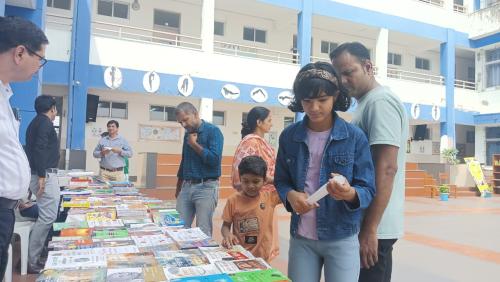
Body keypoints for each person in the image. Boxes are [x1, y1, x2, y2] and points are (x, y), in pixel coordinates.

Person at [274, 62, 376, 282]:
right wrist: (290, 195)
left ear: (335, 96)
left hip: (341, 237)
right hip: (302, 237)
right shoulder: (289, 137)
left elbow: (367, 188)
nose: (314, 108)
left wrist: (349, 193)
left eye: (322, 100)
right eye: (307, 101)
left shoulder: (354, 137)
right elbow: (281, 180)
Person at [331, 42, 408, 282]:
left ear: (368, 67)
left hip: (375, 226)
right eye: (338, 75)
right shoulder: (367, 103)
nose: (343, 81)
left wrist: (370, 228)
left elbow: (386, 168)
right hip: (370, 222)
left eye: (348, 72)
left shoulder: (380, 102)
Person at [0, 16, 49, 279]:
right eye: (39, 59)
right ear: (20, 52)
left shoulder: (5, 95)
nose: (39, 67)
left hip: (7, 208)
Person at [231, 106, 280, 259]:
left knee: (263, 241)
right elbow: (249, 175)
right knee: (253, 244)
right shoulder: (252, 143)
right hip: (254, 202)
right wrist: (275, 180)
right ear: (259, 122)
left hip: (266, 199)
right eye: (269, 120)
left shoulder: (257, 142)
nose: (271, 124)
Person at [175, 102, 224, 236]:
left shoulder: (213, 131)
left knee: (202, 232)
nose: (184, 125)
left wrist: (194, 145)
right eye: (180, 123)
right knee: (178, 228)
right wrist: (178, 187)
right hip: (186, 187)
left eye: (185, 120)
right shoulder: (187, 134)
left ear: (195, 114)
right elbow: (184, 161)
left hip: (206, 187)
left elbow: (214, 160)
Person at [222, 156, 282, 262]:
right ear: (240, 179)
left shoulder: (270, 198)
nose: (250, 186)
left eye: (256, 181)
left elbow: (292, 186)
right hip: (240, 255)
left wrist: (272, 180)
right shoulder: (233, 200)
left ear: (264, 181)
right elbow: (225, 226)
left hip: (263, 258)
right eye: (245, 181)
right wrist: (228, 235)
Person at [25, 95, 60, 273]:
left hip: (41, 174)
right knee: (47, 217)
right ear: (52, 108)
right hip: (44, 175)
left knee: (46, 216)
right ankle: (31, 261)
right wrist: (41, 176)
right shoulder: (45, 123)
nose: (56, 112)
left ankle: (33, 257)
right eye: (55, 109)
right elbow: (39, 149)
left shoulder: (34, 123)